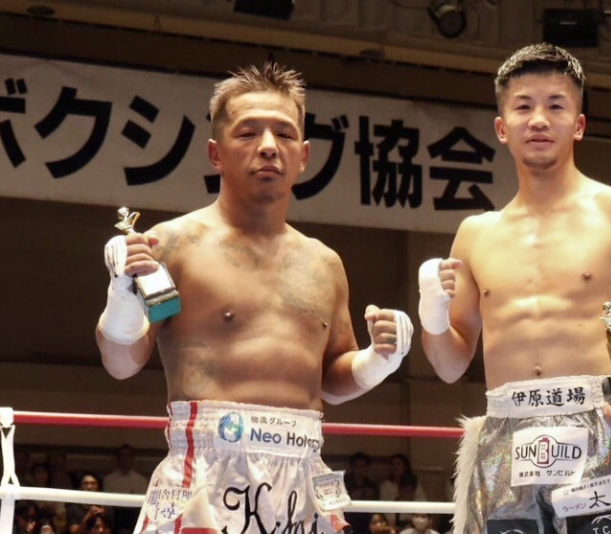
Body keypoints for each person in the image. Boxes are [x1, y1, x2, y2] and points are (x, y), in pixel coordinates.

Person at [94, 61, 413, 534]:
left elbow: (331, 379)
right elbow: (123, 363)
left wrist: (379, 360)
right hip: (205, 475)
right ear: (215, 152)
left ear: (303, 155)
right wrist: (120, 300)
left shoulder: (324, 263)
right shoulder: (174, 246)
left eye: (284, 134)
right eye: (247, 133)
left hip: (303, 476)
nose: (268, 146)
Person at [416, 42, 611, 534]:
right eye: (524, 106)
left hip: (605, 422)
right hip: (506, 437)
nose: (539, 119)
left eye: (555, 105)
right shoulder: (475, 235)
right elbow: (450, 366)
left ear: (578, 124)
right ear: (502, 128)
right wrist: (432, 311)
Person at [101, 446, 145, 534]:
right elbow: (107, 505)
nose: (125, 459)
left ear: (133, 459)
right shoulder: (109, 479)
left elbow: (143, 505)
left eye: (128, 456)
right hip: (115, 517)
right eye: (122, 456)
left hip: (134, 516)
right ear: (117, 459)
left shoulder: (141, 480)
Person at [343, 452, 380, 534]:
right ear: (352, 467)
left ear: (367, 468)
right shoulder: (344, 482)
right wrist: (352, 496)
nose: (360, 469)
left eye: (363, 466)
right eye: (357, 466)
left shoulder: (372, 485)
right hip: (348, 520)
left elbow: (376, 506)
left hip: (366, 523)